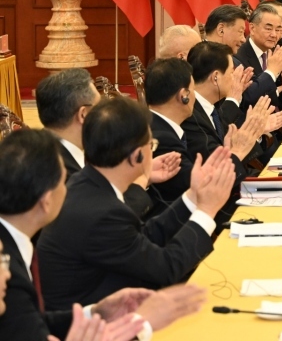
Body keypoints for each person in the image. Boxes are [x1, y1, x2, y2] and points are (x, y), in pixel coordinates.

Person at [0, 130, 207, 341]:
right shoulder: (6, 268)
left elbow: (34, 323)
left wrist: (97, 313)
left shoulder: (12, 241)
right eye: (62, 182)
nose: (68, 189)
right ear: (46, 200)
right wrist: (142, 322)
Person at [37, 98, 235, 309]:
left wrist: (194, 196)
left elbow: (143, 239)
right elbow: (166, 268)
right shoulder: (102, 211)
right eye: (152, 145)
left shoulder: (86, 183)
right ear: (136, 156)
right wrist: (206, 211)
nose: (153, 151)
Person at [34, 69, 171, 216]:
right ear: (83, 114)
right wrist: (140, 180)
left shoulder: (41, 148)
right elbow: (108, 217)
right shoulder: (60, 172)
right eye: (100, 107)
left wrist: (143, 176)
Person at [144, 58, 267, 220]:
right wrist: (236, 153)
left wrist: (228, 152)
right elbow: (203, 187)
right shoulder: (162, 138)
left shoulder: (160, 126)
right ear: (184, 96)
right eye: (193, 90)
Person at [235, 2, 282, 114]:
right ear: (252, 28)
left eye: (278, 29)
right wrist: (272, 71)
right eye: (268, 29)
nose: (274, 35)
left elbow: (281, 104)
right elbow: (247, 101)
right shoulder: (239, 57)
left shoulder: (275, 53)